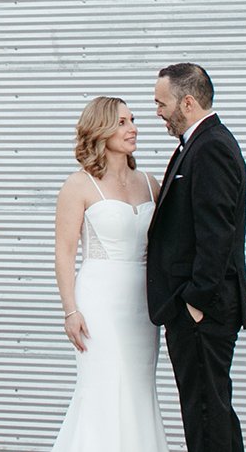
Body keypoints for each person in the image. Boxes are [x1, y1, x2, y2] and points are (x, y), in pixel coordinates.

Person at [49, 95, 166, 452]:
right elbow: (64, 253)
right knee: (102, 384)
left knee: (138, 387)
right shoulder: (79, 185)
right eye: (122, 122)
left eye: (132, 120)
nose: (133, 128)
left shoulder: (150, 183)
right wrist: (71, 310)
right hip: (99, 301)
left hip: (143, 305)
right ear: (100, 129)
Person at [148, 62, 246, 452]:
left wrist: (196, 301)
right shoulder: (197, 144)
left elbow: (217, 233)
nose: (157, 112)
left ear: (187, 102)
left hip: (203, 313)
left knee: (206, 415)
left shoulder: (211, 148)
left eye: (161, 103)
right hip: (199, 310)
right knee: (211, 413)